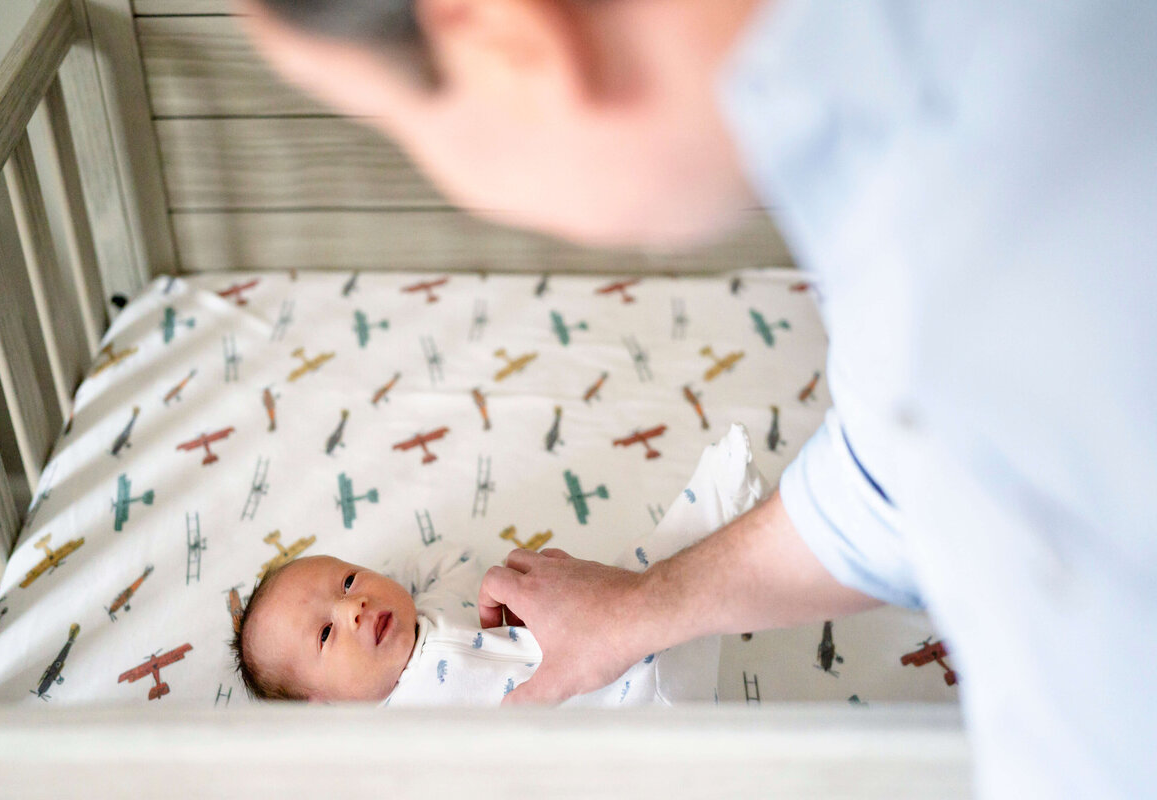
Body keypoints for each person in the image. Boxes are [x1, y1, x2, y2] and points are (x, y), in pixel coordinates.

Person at [237, 0, 1157, 796]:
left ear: (510, 40)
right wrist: (648, 604)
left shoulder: (1015, 256)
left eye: (400, 126)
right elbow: (895, 472)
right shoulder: (915, 149)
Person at [231, 424, 765, 706]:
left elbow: (454, 559)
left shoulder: (439, 600)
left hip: (636, 637)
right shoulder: (391, 740)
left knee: (642, 568)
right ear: (325, 706)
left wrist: (398, 576)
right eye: (325, 633)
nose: (353, 607)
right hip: (610, 734)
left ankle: (718, 503)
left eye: (348, 580)